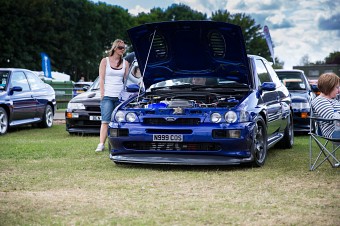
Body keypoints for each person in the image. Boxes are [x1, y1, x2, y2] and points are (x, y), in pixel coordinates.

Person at [95, 39, 129, 152]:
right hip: (108, 96)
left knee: (120, 121)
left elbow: (127, 81)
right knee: (105, 121)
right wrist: (102, 94)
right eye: (120, 47)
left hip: (120, 97)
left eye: (124, 48)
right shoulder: (105, 61)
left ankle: (119, 144)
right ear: (114, 48)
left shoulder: (126, 63)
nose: (122, 50)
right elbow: (101, 79)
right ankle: (101, 144)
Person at [311, 72, 340, 138]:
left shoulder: (334, 99)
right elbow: (332, 118)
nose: (339, 90)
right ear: (329, 87)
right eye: (337, 87)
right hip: (334, 132)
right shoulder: (320, 101)